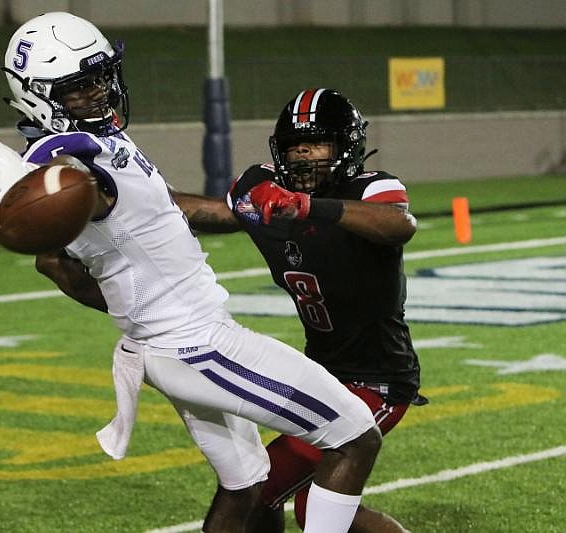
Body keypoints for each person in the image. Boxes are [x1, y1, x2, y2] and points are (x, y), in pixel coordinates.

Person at [0, 13, 383, 533]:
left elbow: (132, 220)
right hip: (198, 345)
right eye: (79, 88)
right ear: (36, 95)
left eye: (103, 77)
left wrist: (245, 214)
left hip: (168, 347)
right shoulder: (71, 168)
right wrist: (38, 162)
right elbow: (74, 180)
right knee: (353, 435)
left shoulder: (95, 143)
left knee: (249, 487)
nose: (100, 93)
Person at [173, 88, 426, 532]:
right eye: (294, 146)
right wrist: (129, 200)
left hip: (379, 379)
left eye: (317, 144)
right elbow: (215, 213)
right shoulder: (264, 190)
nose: (304, 154)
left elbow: (397, 225)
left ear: (346, 146)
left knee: (283, 497)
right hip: (322, 374)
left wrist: (312, 208)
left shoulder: (371, 188)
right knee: (266, 492)